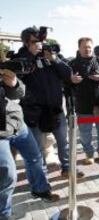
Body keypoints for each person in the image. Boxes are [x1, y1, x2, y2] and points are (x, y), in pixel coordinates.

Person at [14, 26, 84, 179]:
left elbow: (68, 74)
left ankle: (68, 168)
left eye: (40, 40)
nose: (39, 44)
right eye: (34, 41)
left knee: (63, 142)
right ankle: (41, 177)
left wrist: (54, 59)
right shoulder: (20, 58)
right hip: (34, 112)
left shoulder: (50, 56)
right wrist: (32, 56)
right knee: (36, 148)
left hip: (55, 109)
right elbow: (18, 76)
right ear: (26, 43)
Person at [0, 69, 59, 219]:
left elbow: (20, 93)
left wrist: (13, 84)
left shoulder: (3, 68)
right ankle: (4, 214)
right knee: (8, 175)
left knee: (35, 157)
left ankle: (40, 189)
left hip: (17, 124)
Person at [69, 37, 99, 165]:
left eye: (89, 47)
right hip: (82, 104)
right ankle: (89, 154)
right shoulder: (72, 64)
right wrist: (71, 80)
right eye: (84, 47)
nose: (87, 49)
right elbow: (64, 84)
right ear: (79, 48)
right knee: (85, 132)